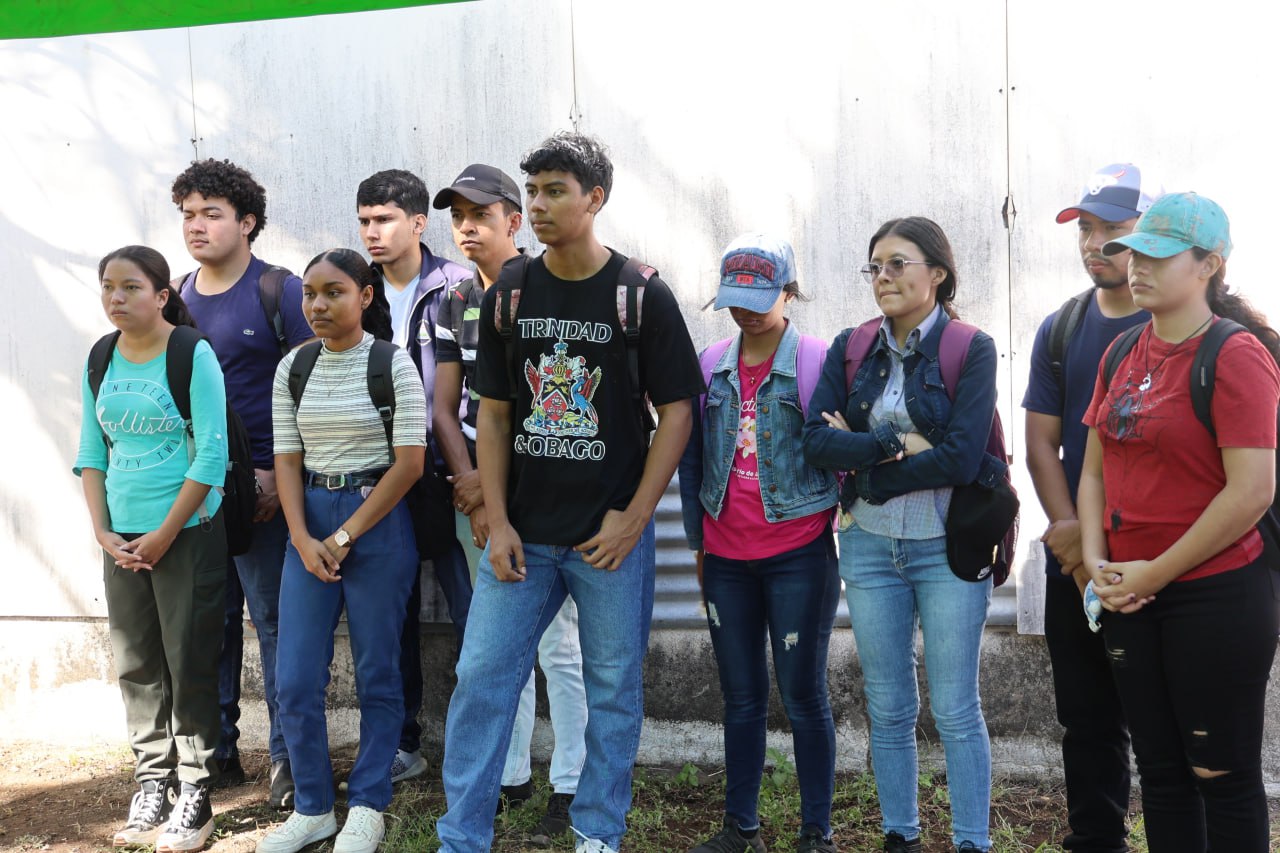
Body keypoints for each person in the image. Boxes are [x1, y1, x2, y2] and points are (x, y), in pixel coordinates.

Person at [434, 131, 704, 853]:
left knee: (613, 689)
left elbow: (678, 411)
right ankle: (461, 837)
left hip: (606, 538)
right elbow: (494, 413)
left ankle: (597, 830)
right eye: (533, 192)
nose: (540, 205)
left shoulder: (639, 294)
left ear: (595, 198)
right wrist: (495, 517)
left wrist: (634, 518)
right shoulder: (512, 292)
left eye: (556, 191)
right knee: (482, 678)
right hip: (524, 534)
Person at [1079, 192, 1279, 852]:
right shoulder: (1121, 352)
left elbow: (1251, 492)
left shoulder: (1235, 354)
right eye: (1133, 253)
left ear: (1209, 264)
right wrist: (1097, 566)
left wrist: (1153, 573)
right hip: (1128, 593)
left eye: (1158, 256)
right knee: (1160, 774)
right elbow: (1094, 474)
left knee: (1221, 775)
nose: (1137, 267)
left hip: (1214, 595)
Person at [802, 217, 1000, 853]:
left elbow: (962, 459)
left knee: (955, 707)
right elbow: (815, 440)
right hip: (867, 546)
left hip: (946, 547)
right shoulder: (852, 347)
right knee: (887, 705)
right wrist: (896, 442)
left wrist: (873, 471)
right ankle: (900, 837)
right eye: (875, 266)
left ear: (937, 274)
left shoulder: (971, 349)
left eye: (897, 264)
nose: (882, 277)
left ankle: (971, 842)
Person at [432, 163, 588, 846]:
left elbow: (553, 402)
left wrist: (500, 490)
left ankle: (571, 780)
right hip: (478, 492)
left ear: (513, 221)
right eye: (458, 217)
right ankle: (511, 773)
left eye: (481, 214)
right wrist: (473, 487)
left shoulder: (545, 287)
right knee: (498, 646)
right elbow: (446, 406)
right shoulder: (453, 300)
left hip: (542, 492)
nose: (467, 227)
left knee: (559, 646)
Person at [255, 249, 426, 853]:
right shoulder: (293, 366)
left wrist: (345, 535)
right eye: (310, 293)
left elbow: (410, 463)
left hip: (377, 520)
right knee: (295, 677)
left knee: (379, 671)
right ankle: (313, 808)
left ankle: (369, 803)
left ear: (365, 296)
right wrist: (302, 538)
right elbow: (286, 458)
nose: (318, 305)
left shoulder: (393, 363)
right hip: (308, 524)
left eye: (334, 292)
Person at [678, 234, 840, 853]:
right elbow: (692, 462)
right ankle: (740, 827)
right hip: (726, 560)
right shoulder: (709, 364)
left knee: (803, 696)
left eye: (758, 298)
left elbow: (840, 454)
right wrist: (699, 544)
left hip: (799, 555)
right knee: (740, 698)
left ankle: (815, 832)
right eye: (734, 300)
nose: (744, 311)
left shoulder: (819, 361)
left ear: (789, 292)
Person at [1022, 163, 1160, 852]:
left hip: (1161, 559)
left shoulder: (1183, 324)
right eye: (1085, 228)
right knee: (1086, 718)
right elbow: (1041, 444)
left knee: (1167, 724)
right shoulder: (1063, 327)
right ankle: (1097, 839)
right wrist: (1072, 539)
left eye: (1113, 229)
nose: (1094, 243)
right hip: (1076, 555)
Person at [75, 245, 227, 851]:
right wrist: (102, 530)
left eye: (131, 287)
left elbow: (212, 455)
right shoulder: (100, 356)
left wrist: (164, 534)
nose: (116, 298)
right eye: (108, 287)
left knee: (188, 659)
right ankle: (152, 784)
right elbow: (92, 452)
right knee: (136, 662)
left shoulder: (192, 354)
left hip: (185, 535)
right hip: (122, 540)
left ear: (162, 295)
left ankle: (197, 792)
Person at [172, 158, 314, 807]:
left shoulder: (279, 291)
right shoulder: (177, 295)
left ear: (248, 222)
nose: (196, 226)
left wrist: (277, 474)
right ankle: (216, 753)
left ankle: (288, 759)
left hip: (264, 492)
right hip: (199, 492)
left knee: (276, 621)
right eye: (188, 214)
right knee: (211, 621)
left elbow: (312, 385)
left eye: (212, 213)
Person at [355, 169, 472, 783]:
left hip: (450, 473)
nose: (372, 232)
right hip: (384, 476)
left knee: (474, 611)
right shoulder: (357, 289)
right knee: (391, 615)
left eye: (384, 219)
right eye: (364, 221)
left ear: (419, 223)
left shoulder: (456, 286)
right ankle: (403, 743)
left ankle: (482, 747)